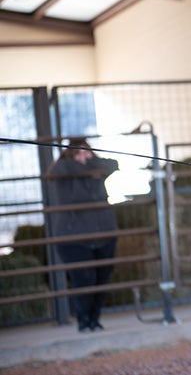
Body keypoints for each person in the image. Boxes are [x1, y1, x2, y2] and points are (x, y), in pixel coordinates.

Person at [48, 138, 119, 332]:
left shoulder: (97, 169)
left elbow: (113, 164)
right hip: (75, 236)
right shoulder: (63, 171)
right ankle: (83, 320)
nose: (83, 158)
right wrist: (89, 168)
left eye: (87, 153)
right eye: (78, 154)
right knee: (83, 279)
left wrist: (90, 162)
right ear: (69, 157)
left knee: (101, 279)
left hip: (104, 233)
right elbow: (58, 170)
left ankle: (95, 320)